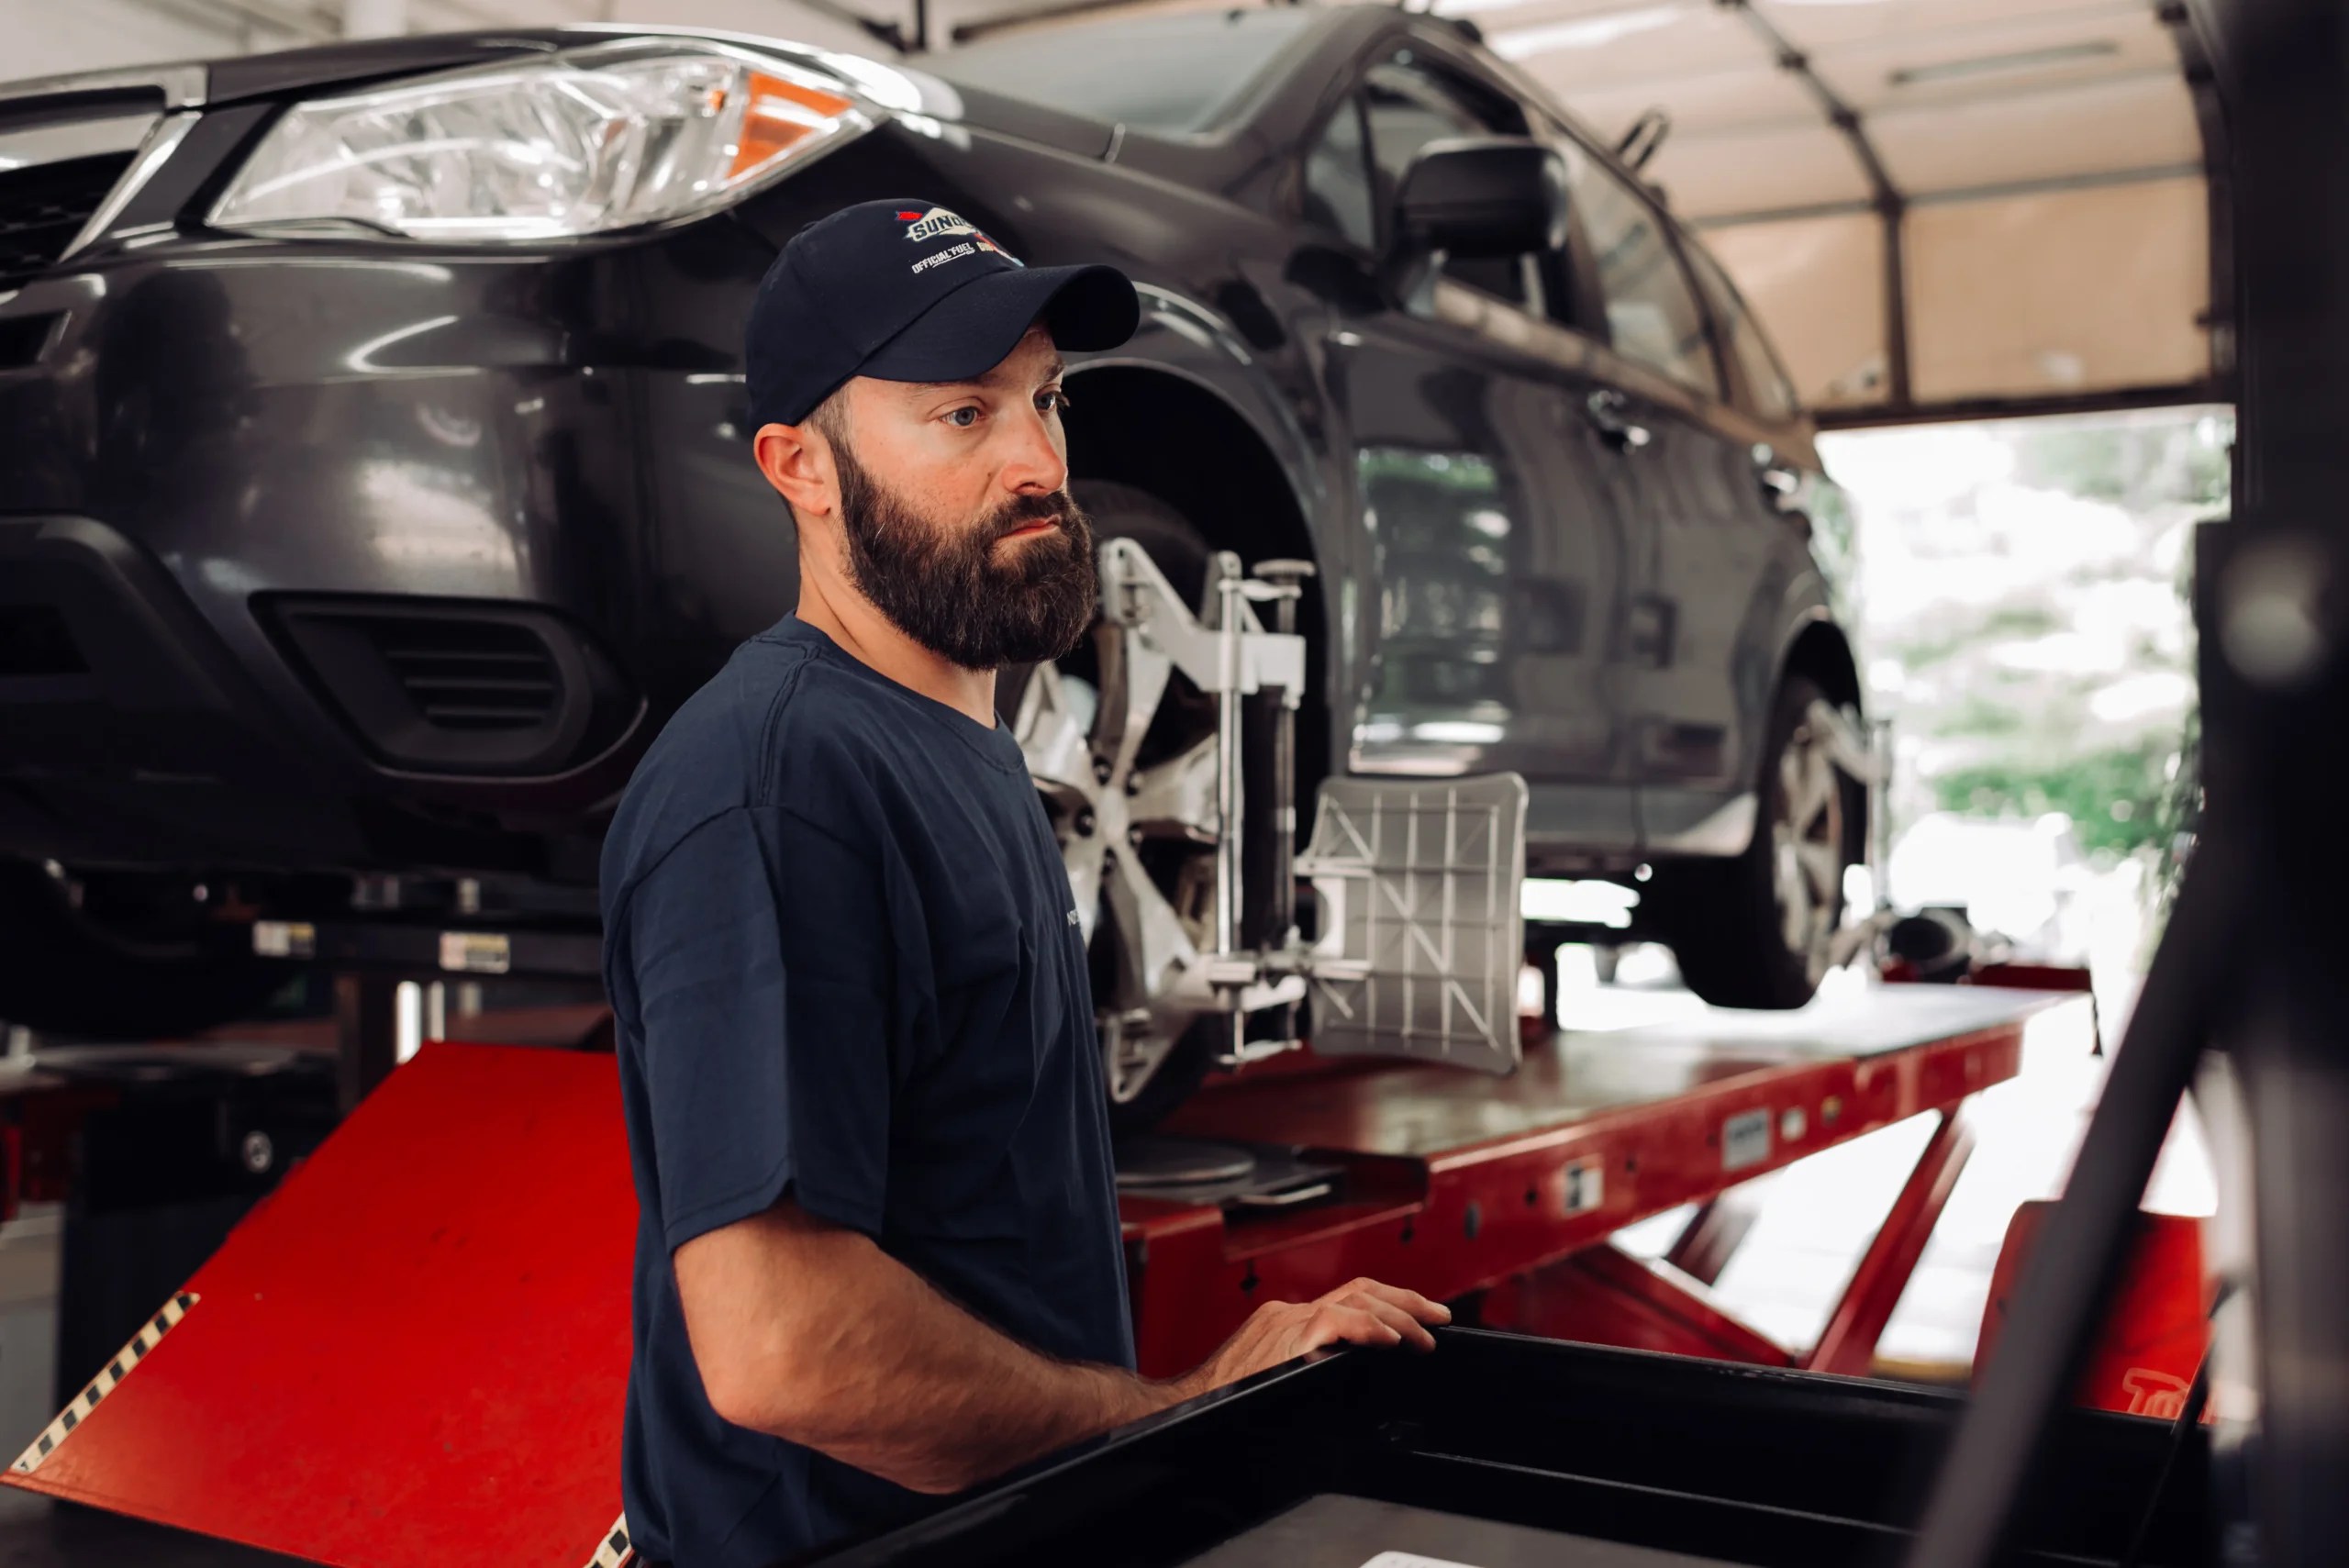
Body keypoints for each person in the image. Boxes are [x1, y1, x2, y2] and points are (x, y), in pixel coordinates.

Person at [599, 198, 1449, 1568]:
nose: (1038, 461)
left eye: (1045, 399)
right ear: (801, 466)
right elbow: (784, 1347)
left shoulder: (960, 746)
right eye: (961, 414)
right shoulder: (780, 782)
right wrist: (1175, 1417)